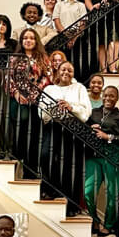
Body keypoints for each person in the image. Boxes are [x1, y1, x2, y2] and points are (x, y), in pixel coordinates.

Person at [39, 61, 91, 210]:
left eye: (69, 70)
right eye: (63, 69)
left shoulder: (79, 88)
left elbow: (86, 111)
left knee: (69, 165)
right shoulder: (49, 89)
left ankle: (71, 204)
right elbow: (41, 111)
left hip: (72, 128)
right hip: (53, 126)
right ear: (58, 71)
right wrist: (55, 108)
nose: (66, 72)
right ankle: (52, 189)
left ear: (73, 74)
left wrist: (70, 107)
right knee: (45, 155)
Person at [85, 85, 119, 237]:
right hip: (94, 155)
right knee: (88, 191)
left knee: (112, 192)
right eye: (106, 95)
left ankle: (109, 225)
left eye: (112, 96)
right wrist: (90, 127)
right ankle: (95, 220)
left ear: (117, 98)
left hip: (114, 155)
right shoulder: (94, 112)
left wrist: (108, 137)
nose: (108, 98)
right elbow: (84, 127)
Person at [7, 28, 52, 179]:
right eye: (25, 38)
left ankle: (30, 171)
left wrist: (35, 92)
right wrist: (16, 93)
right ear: (21, 41)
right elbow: (8, 78)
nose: (28, 40)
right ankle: (16, 164)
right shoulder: (14, 58)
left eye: (32, 38)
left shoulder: (43, 58)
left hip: (36, 101)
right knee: (19, 133)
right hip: (17, 100)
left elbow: (48, 77)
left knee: (34, 136)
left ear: (36, 41)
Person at [85, 0, 119, 73]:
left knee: (114, 40)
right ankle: (104, 69)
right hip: (98, 17)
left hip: (113, 16)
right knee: (101, 43)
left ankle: (113, 67)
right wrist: (92, 8)